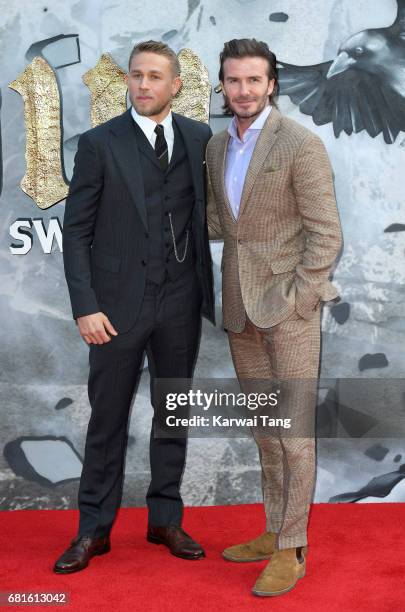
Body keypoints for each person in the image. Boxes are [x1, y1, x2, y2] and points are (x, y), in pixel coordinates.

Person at [55, 40, 214, 573]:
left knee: (173, 413)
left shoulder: (198, 138)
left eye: (154, 77)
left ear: (175, 86)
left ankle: (165, 519)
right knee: (107, 419)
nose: (143, 85)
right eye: (136, 75)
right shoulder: (100, 143)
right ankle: (93, 530)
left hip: (180, 303)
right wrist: (85, 306)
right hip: (115, 309)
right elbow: (75, 230)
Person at [206, 38, 343, 596]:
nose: (243, 91)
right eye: (234, 81)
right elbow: (223, 225)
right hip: (240, 311)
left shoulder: (300, 144)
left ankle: (293, 548)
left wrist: (299, 300)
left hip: (287, 313)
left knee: (293, 436)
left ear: (272, 85)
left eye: (254, 81)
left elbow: (326, 234)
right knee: (266, 433)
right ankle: (272, 530)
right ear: (222, 85)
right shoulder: (216, 148)